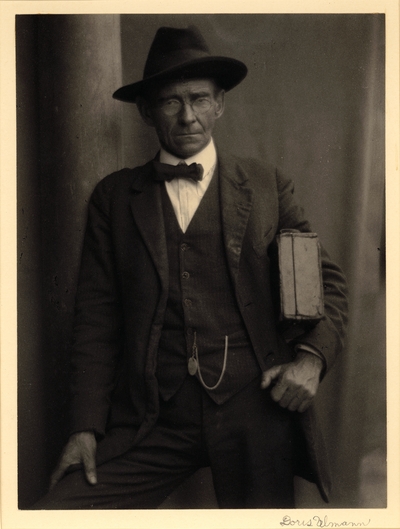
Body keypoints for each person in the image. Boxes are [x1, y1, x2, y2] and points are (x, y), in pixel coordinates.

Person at [34, 25, 348, 509]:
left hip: (254, 411)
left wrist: (311, 360)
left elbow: (324, 282)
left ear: (219, 104)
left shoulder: (265, 185)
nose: (187, 117)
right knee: (58, 511)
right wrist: (84, 425)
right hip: (154, 417)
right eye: (170, 102)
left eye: (199, 99)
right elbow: (96, 319)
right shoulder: (115, 200)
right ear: (146, 111)